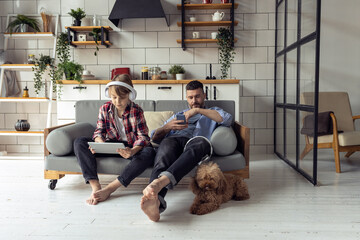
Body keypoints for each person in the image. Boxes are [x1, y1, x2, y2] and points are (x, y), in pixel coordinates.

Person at [140, 80, 233, 221]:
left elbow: (227, 120)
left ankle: (159, 182)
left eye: (197, 96)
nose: (194, 100)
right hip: (175, 140)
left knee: (201, 142)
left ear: (204, 95)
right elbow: (154, 137)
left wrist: (197, 110)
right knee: (166, 146)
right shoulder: (179, 114)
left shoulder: (212, 111)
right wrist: (167, 127)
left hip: (197, 143)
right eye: (190, 97)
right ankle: (156, 200)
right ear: (186, 98)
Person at [74, 74, 155, 205]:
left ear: (129, 94)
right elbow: (99, 131)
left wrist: (133, 151)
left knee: (149, 152)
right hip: (110, 145)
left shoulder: (137, 110)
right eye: (114, 97)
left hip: (130, 147)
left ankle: (110, 189)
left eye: (122, 97)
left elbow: (143, 137)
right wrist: (99, 144)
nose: (118, 101)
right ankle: (96, 187)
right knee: (80, 142)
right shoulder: (104, 109)